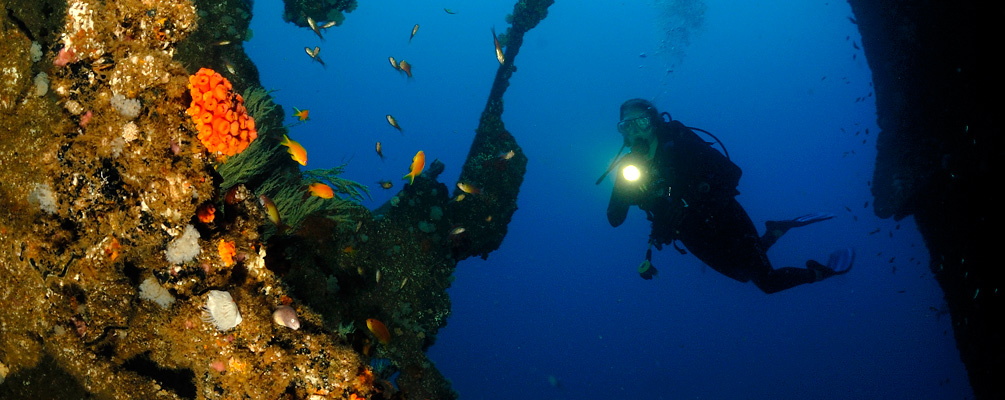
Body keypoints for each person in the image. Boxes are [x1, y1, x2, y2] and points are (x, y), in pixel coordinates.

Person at [605, 98, 853, 293]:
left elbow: (732, 172)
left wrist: (688, 201)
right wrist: (624, 188)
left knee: (767, 282)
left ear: (654, 122)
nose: (635, 131)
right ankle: (775, 231)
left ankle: (823, 272)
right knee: (743, 274)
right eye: (627, 126)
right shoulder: (630, 168)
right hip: (692, 235)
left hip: (725, 218)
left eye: (641, 122)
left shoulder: (679, 142)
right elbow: (614, 219)